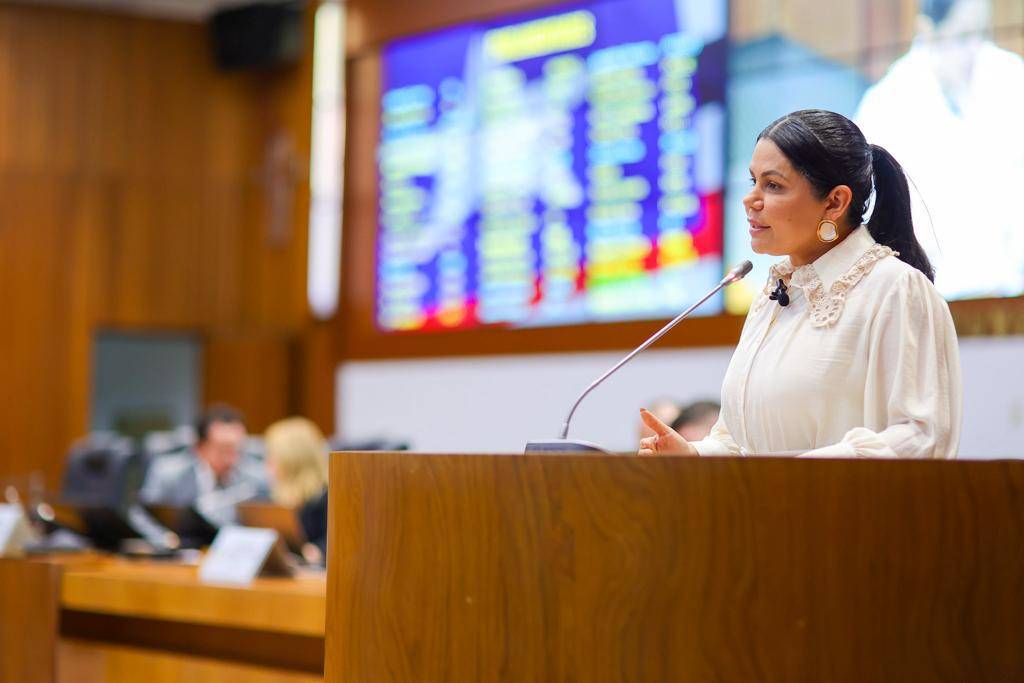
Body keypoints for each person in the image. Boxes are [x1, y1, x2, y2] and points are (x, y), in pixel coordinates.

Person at [639, 109, 961, 458]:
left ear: (835, 202)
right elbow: (740, 443)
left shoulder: (895, 289)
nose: (751, 200)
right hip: (764, 510)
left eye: (773, 185)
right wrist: (695, 456)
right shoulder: (773, 298)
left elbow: (920, 437)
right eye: (753, 182)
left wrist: (794, 476)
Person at [854, 0, 1024, 299]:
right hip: (925, 296)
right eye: (961, 36)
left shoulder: (1011, 77)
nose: (974, 49)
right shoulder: (885, 104)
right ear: (928, 30)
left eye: (980, 34)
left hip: (1011, 293)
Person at [139, 405, 269, 526]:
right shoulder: (168, 474)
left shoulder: (257, 480)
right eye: (223, 449)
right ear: (199, 447)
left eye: (237, 449)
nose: (231, 459)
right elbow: (145, 517)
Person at [264, 417, 329, 563]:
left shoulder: (329, 498)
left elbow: (337, 545)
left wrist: (317, 552)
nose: (268, 462)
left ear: (291, 459)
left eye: (272, 455)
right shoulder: (274, 497)